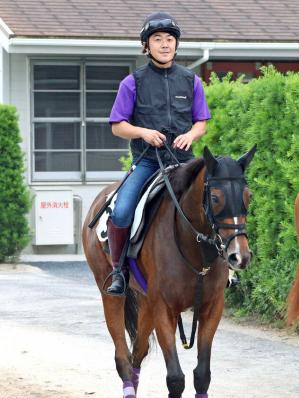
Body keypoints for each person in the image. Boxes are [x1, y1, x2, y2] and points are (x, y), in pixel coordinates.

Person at [106, 11, 211, 296]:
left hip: (184, 161)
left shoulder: (192, 81)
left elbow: (201, 122)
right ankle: (118, 270)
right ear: (146, 45)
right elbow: (118, 126)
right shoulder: (132, 82)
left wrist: (191, 135)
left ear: (176, 45)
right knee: (124, 208)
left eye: (169, 39)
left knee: (217, 201)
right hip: (147, 161)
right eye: (157, 39)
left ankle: (220, 269)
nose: (165, 44)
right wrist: (143, 133)